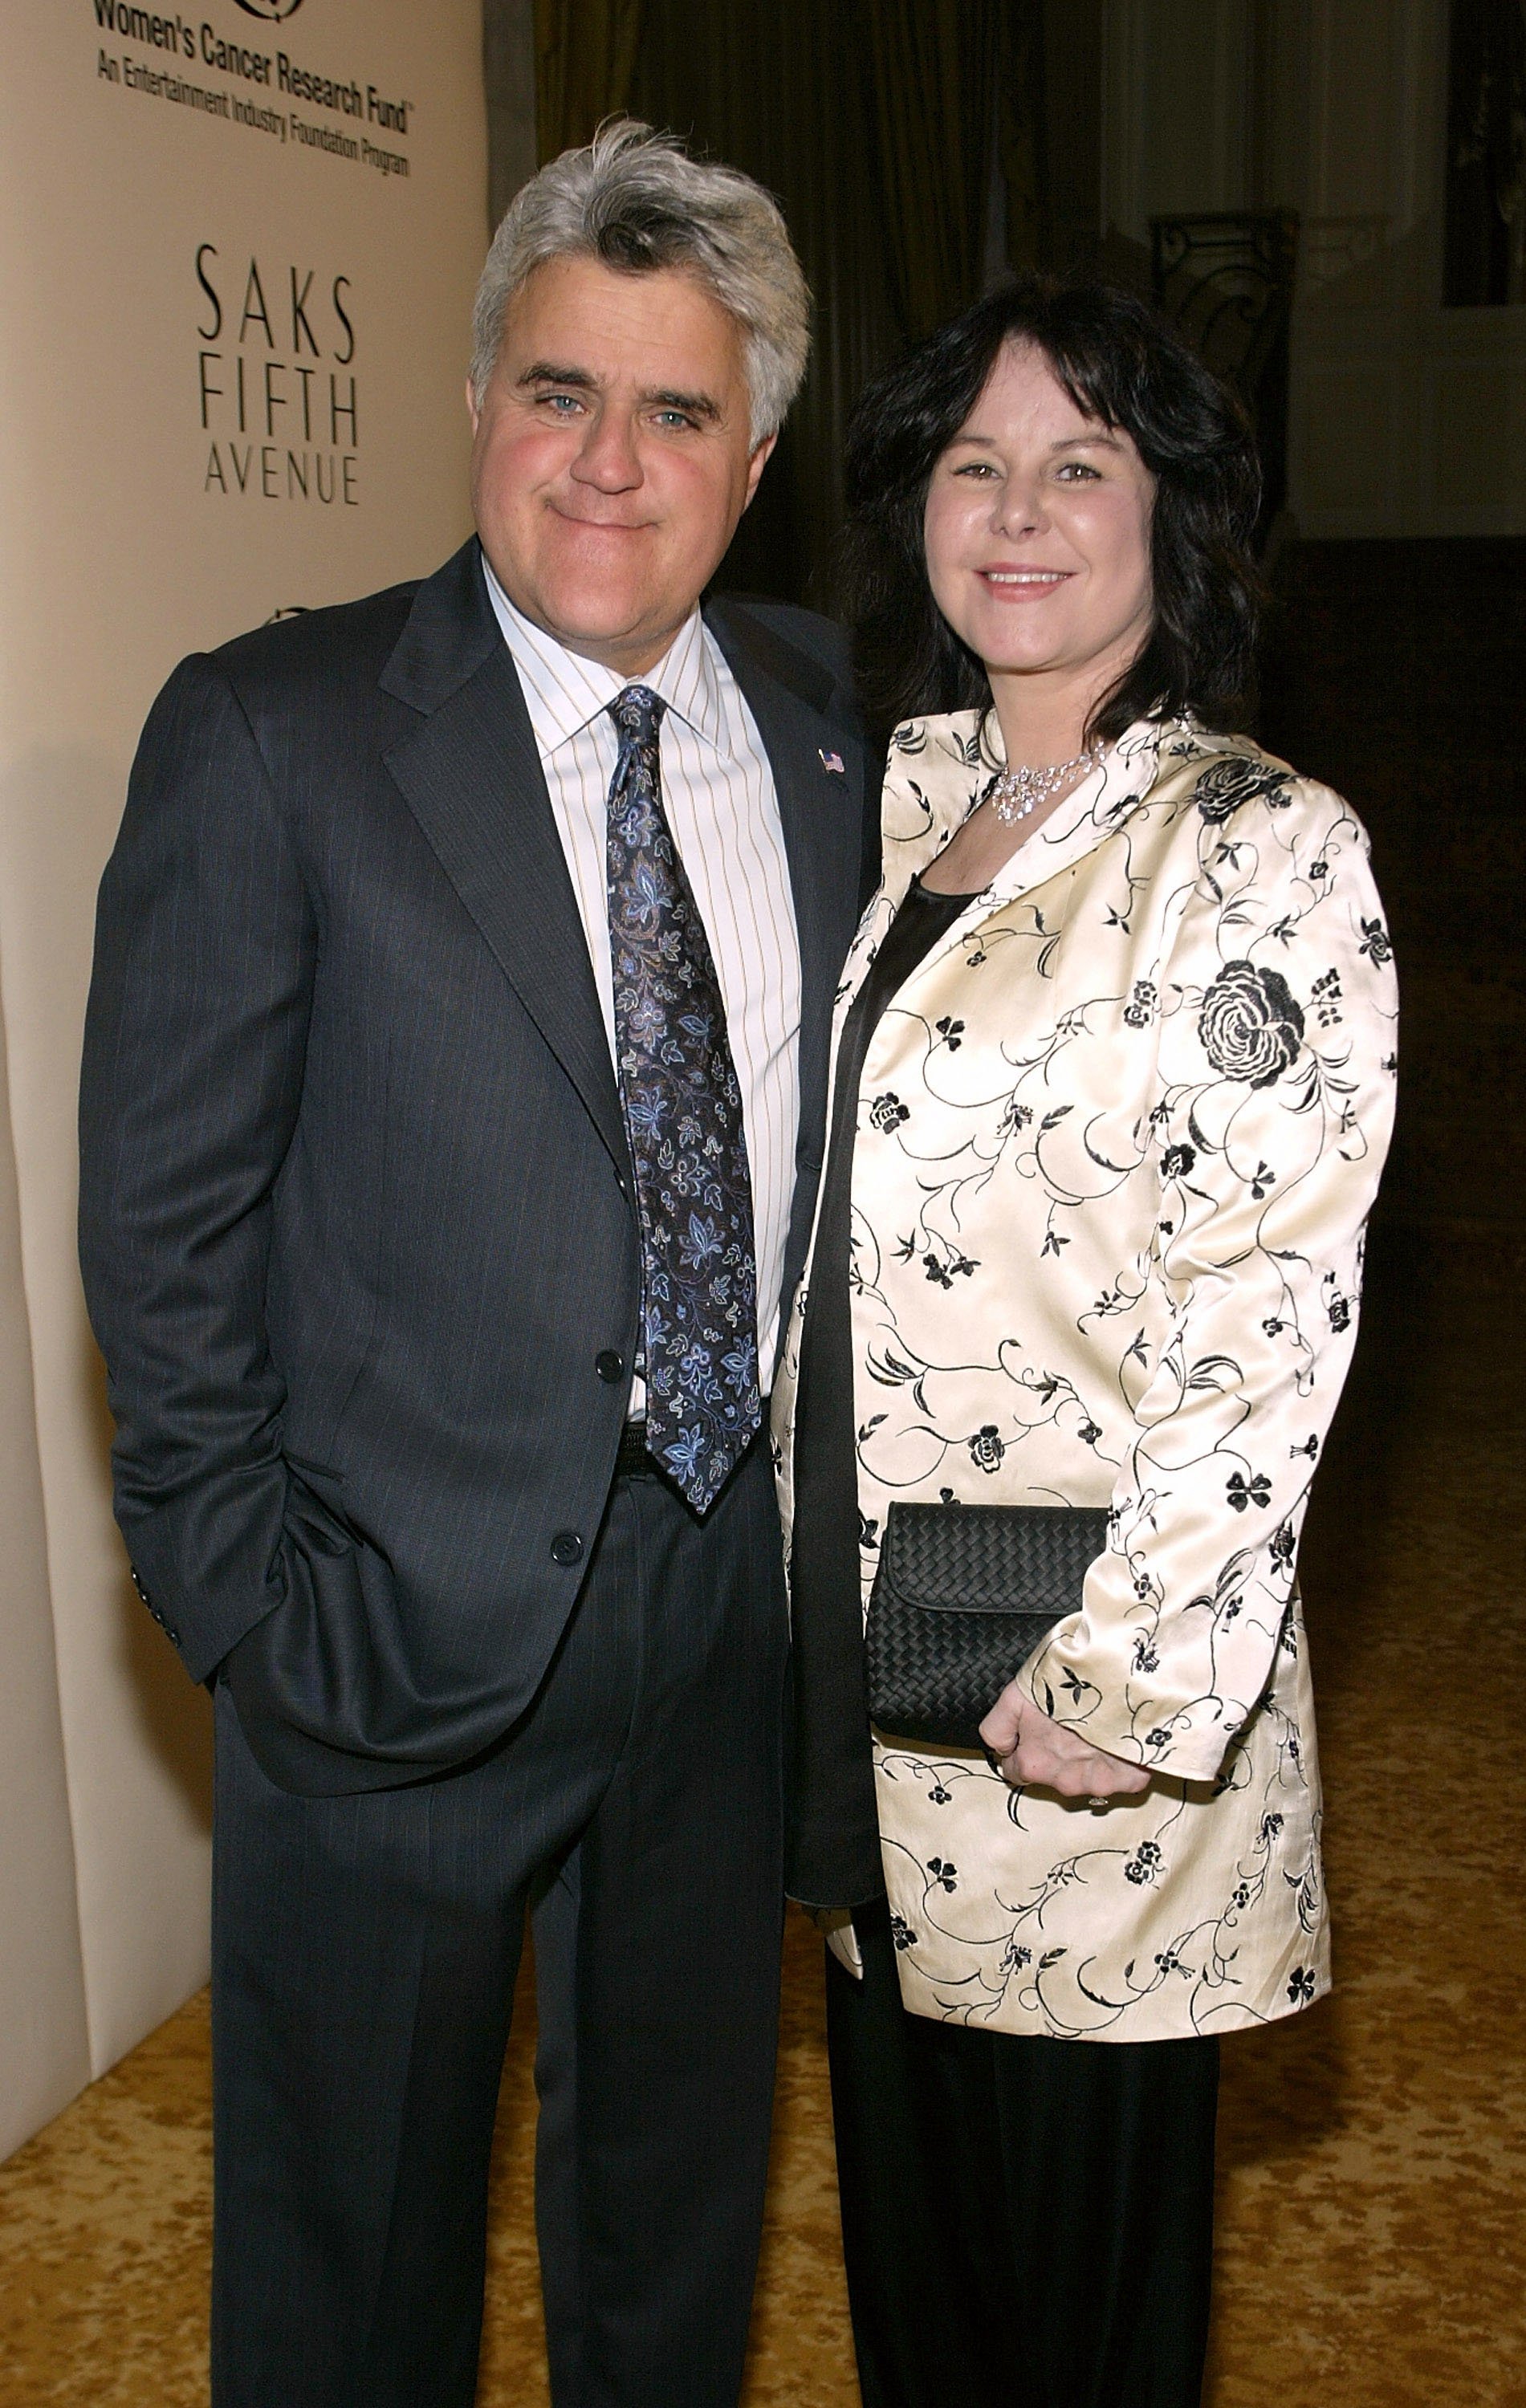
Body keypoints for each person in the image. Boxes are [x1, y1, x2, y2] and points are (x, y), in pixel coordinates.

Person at [79, 121, 877, 2408]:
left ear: (751, 458)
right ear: (477, 406)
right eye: (561, 391)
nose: (609, 464)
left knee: (672, 2238)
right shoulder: (275, 731)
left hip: (724, 1630)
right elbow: (161, 1227)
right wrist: (252, 1606)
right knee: (350, 2282)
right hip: (382, 1641)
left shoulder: (832, 737)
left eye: (678, 410)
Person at [771, 275, 1398, 2407]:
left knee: (1074, 2318)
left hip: (1070, 1720)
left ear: (1174, 519)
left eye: (1079, 466)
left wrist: (1136, 1678)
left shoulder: (1256, 850)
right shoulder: (919, 821)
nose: (1016, 514)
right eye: (972, 466)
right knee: (926, 2301)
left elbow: (1274, 1308)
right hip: (882, 1697)